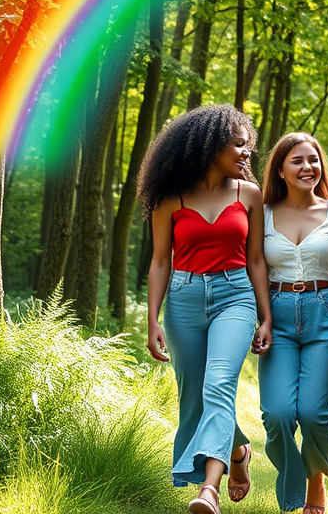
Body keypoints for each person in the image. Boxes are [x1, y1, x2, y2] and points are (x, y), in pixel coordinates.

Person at [141, 104, 273, 514]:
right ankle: (238, 455)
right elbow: (161, 261)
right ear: (209, 146)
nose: (247, 153)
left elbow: (256, 260)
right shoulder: (168, 199)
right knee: (195, 397)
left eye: (247, 145)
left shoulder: (248, 194)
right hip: (182, 299)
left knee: (218, 384)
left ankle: (208, 491)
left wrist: (265, 315)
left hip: (235, 296)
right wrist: (152, 320)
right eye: (238, 145)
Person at [259, 132, 328, 514]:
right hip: (276, 316)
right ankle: (297, 478)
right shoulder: (260, 213)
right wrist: (261, 319)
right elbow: (255, 269)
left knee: (313, 414)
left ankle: (314, 484)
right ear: (280, 169)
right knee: (278, 414)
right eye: (297, 161)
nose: (307, 168)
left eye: (313, 160)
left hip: (324, 312)